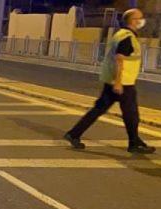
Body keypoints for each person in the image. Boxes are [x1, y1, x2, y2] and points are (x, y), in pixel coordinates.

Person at [64, 8, 156, 154]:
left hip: (112, 81)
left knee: (99, 109)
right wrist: (119, 82)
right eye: (139, 18)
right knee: (131, 114)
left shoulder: (120, 34)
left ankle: (74, 134)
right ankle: (134, 143)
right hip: (122, 83)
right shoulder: (127, 37)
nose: (142, 20)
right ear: (132, 21)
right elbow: (120, 59)